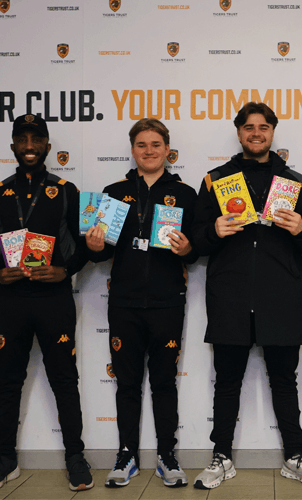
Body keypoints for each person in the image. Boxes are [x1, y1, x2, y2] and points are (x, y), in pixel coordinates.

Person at [191, 102, 302, 490]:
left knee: (284, 381)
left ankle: (295, 456)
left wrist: (301, 228)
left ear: (272, 132)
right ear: (239, 133)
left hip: (280, 298)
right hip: (230, 297)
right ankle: (221, 457)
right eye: (249, 127)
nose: (256, 133)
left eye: (263, 127)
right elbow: (195, 242)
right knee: (227, 382)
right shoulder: (215, 181)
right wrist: (213, 231)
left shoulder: (297, 183)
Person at [0, 114, 93, 492]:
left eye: (36, 139)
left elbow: (89, 243)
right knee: (8, 381)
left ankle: (75, 457)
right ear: (13, 145)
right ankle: (5, 460)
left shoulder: (67, 190)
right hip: (11, 301)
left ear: (47, 146)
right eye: (23, 139)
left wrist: (66, 270)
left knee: (65, 380)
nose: (29, 146)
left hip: (54, 300)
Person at [85, 118, 197, 488]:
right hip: (124, 303)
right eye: (141, 145)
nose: (149, 151)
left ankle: (167, 455)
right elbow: (102, 253)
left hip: (167, 302)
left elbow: (197, 249)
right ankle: (126, 455)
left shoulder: (185, 194)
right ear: (133, 150)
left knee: (164, 383)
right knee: (128, 384)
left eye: (155, 144)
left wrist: (188, 248)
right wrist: (94, 247)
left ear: (168, 150)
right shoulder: (114, 192)